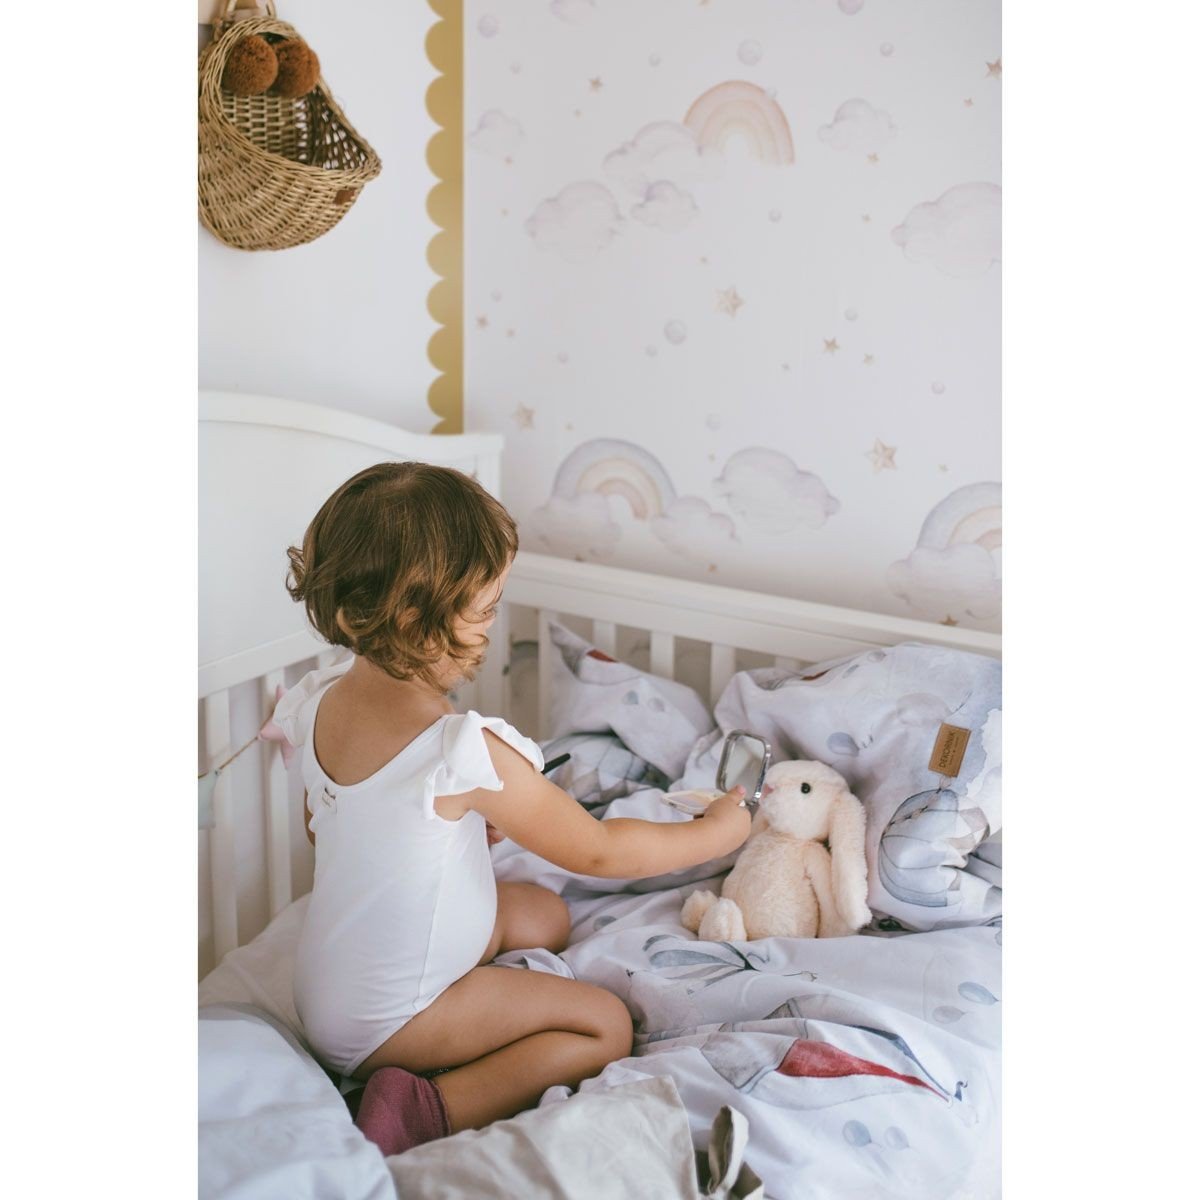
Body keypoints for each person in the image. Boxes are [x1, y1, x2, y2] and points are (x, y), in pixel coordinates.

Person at [274, 461, 751, 1154]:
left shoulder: (319, 701)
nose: (493, 625)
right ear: (415, 617)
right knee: (602, 1026)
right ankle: (424, 1108)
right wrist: (715, 834)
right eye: (487, 608)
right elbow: (598, 850)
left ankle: (442, 1021)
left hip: (327, 989)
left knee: (543, 913)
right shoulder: (462, 751)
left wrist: (441, 834)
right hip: (388, 1021)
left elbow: (334, 828)